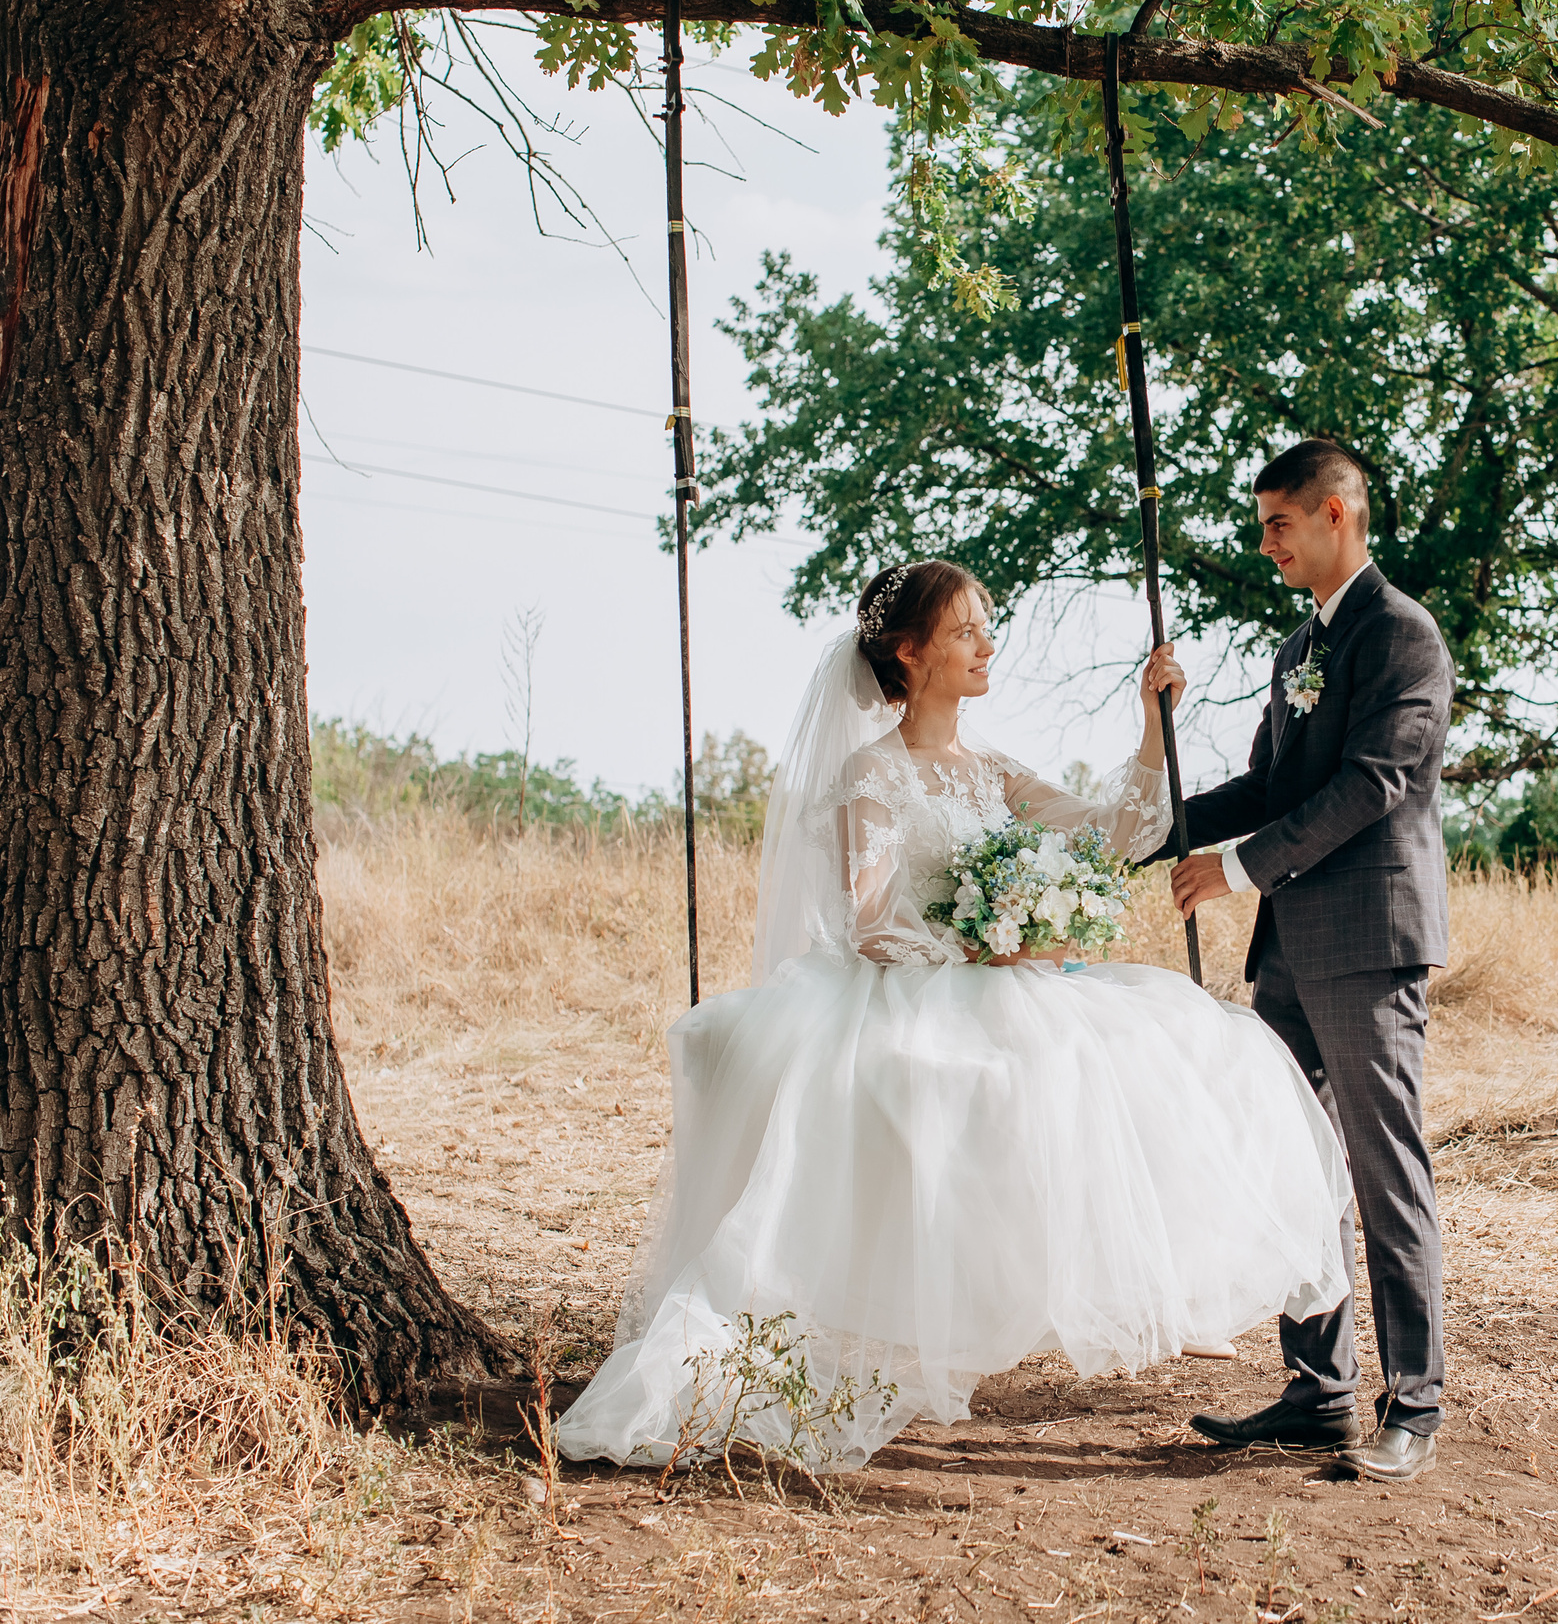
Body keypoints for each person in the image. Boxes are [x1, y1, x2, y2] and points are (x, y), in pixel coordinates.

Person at [554, 559, 1352, 1474]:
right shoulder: (871, 774)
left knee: (1177, 1050)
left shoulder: (997, 769)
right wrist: (988, 947)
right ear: (910, 652)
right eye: (966, 629)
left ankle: (1132, 1291)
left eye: (988, 624)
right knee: (966, 1083)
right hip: (920, 984)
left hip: (1008, 973)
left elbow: (1116, 834)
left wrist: (1148, 726)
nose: (987, 643)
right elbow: (873, 920)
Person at [1162, 439, 1456, 1485]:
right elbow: (1267, 785)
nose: (1264, 542)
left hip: (1370, 947)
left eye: (1277, 522)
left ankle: (1411, 1405)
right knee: (1294, 1168)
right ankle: (1318, 1393)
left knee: (1383, 1176)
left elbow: (1371, 786)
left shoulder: (1402, 636)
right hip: (1287, 950)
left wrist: (1235, 872)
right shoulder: (1297, 650)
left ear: (1337, 514)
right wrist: (1154, 826)